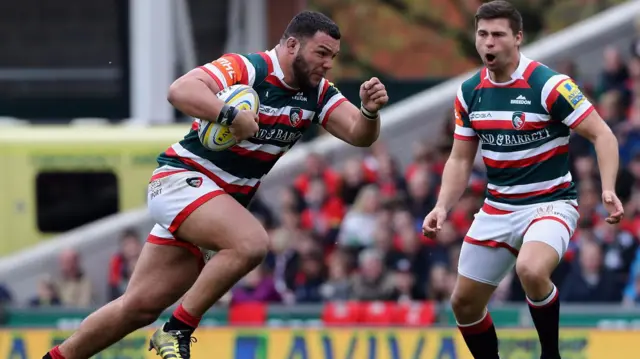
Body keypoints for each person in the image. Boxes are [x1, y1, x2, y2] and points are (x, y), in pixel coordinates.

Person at [43, 10, 388, 359]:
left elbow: (358, 134)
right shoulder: (249, 68)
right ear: (293, 45)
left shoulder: (317, 93)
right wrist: (231, 115)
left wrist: (370, 112)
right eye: (321, 53)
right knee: (251, 243)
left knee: (138, 308)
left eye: (333, 57)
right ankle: (175, 330)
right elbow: (180, 90)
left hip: (215, 204)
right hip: (181, 181)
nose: (328, 64)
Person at [421, 1, 623, 359]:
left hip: (550, 204)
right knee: (464, 303)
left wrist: (608, 188)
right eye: (482, 34)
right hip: (497, 208)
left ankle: (550, 355)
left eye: (498, 35)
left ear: (518, 38)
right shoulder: (469, 92)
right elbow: (460, 157)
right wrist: (441, 205)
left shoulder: (549, 85)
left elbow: (603, 135)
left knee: (530, 269)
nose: (489, 43)